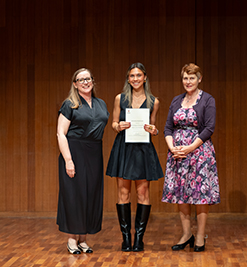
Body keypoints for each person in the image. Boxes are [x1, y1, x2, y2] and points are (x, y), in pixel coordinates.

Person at [161, 63, 220, 252]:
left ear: (199, 79)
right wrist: (172, 148)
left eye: (192, 78)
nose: (188, 81)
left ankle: (200, 236)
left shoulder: (208, 100)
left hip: (199, 153)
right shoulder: (176, 100)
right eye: (185, 78)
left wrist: (188, 148)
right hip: (177, 153)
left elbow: (209, 128)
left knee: (200, 195)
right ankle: (187, 234)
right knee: (181, 194)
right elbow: (168, 128)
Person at [106, 63, 163, 252]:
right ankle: (125, 239)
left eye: (139, 75)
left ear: (145, 77)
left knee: (143, 193)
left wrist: (154, 130)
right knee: (123, 193)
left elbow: (153, 128)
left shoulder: (154, 101)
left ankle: (139, 239)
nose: (136, 79)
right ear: (128, 79)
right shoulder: (119, 99)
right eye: (132, 76)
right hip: (124, 147)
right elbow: (113, 123)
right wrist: (118, 125)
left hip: (143, 149)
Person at [56, 68, 109, 254]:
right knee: (74, 195)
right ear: (75, 84)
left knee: (91, 194)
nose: (85, 82)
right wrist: (68, 160)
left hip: (94, 152)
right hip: (74, 151)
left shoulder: (101, 104)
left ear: (93, 81)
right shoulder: (70, 104)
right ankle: (72, 239)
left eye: (88, 79)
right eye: (81, 79)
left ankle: (83, 239)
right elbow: (60, 134)